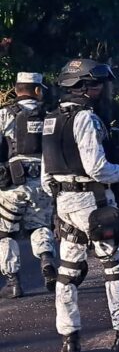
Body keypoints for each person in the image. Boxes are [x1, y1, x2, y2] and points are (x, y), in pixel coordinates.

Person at [41, 58, 119, 352]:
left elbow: (45, 177)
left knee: (68, 273)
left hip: (64, 205)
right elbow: (97, 168)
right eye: (99, 84)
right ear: (86, 87)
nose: (103, 90)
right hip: (95, 203)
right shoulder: (86, 119)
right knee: (116, 267)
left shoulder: (50, 120)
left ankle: (69, 340)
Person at [0, 73, 57, 298]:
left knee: (6, 233)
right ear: (36, 90)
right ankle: (46, 259)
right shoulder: (50, 116)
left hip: (11, 184)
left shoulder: (4, 114)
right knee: (40, 225)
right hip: (42, 181)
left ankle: (13, 282)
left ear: (16, 90)